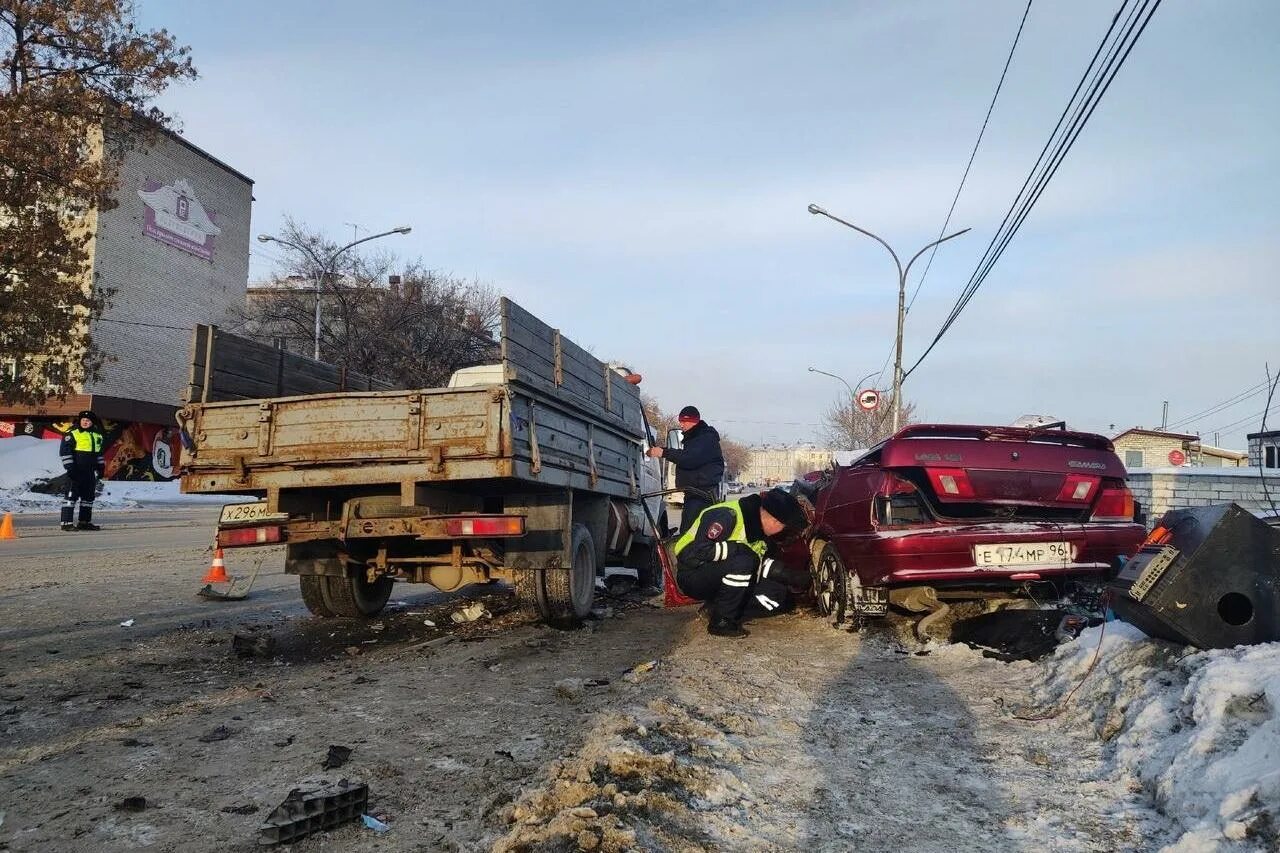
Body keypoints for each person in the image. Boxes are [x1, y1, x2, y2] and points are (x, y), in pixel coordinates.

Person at [672, 487, 809, 638]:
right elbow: (698, 552)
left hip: (728, 574)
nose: (783, 532)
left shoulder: (758, 531)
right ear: (774, 520)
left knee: (779, 597)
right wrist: (737, 548)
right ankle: (721, 621)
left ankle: (714, 609)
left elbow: (757, 564)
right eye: (783, 528)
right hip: (693, 574)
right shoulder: (727, 516)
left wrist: (788, 575)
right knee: (743, 561)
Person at [646, 405, 724, 533]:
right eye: (680, 421)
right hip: (695, 493)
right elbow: (689, 456)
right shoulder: (697, 438)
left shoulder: (705, 438)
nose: (681, 425)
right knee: (690, 534)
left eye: (683, 421)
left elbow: (689, 459)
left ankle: (689, 553)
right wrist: (664, 450)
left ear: (694, 421)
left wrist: (663, 453)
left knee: (690, 535)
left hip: (701, 495)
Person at [59, 410, 105, 531]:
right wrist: (70, 468)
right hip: (76, 470)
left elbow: (99, 454)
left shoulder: (97, 435)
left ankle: (84, 522)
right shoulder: (72, 433)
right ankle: (66, 523)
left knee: (88, 498)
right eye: (83, 420)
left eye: (88, 420)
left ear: (92, 422)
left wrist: (101, 468)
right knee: (71, 496)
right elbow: (65, 452)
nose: (85, 422)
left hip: (89, 472)